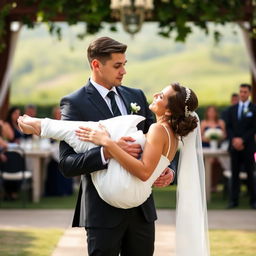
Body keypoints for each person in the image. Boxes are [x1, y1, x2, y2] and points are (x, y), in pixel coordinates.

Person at [18, 83, 210, 255]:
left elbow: (144, 171)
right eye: (119, 64)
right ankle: (41, 126)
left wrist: (107, 144)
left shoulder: (157, 127)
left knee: (95, 134)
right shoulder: (172, 134)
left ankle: (41, 126)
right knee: (95, 132)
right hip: (113, 205)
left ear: (169, 111)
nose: (156, 94)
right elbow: (68, 164)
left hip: (124, 193)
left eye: (161, 96)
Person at [226, 83, 256, 209]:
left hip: (248, 146)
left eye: (245, 92)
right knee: (234, 173)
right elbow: (229, 127)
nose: (242, 94)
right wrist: (234, 140)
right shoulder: (232, 109)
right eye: (241, 91)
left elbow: (253, 127)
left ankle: (253, 200)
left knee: (251, 173)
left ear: (249, 93)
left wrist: (242, 140)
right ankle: (233, 201)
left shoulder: (254, 109)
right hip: (234, 147)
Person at [44, 106, 73, 197]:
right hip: (53, 148)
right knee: (52, 164)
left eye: (60, 113)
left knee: (62, 163)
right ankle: (53, 190)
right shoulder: (51, 124)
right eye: (56, 113)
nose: (58, 115)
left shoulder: (67, 124)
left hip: (64, 149)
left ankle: (64, 190)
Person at [200, 106, 226, 192]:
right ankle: (207, 185)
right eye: (210, 111)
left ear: (216, 113)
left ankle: (214, 185)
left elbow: (224, 135)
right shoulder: (204, 123)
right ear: (207, 113)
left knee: (217, 162)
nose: (211, 113)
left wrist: (219, 138)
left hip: (218, 147)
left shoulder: (221, 122)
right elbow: (200, 136)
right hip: (206, 147)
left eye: (213, 111)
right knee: (209, 161)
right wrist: (207, 138)